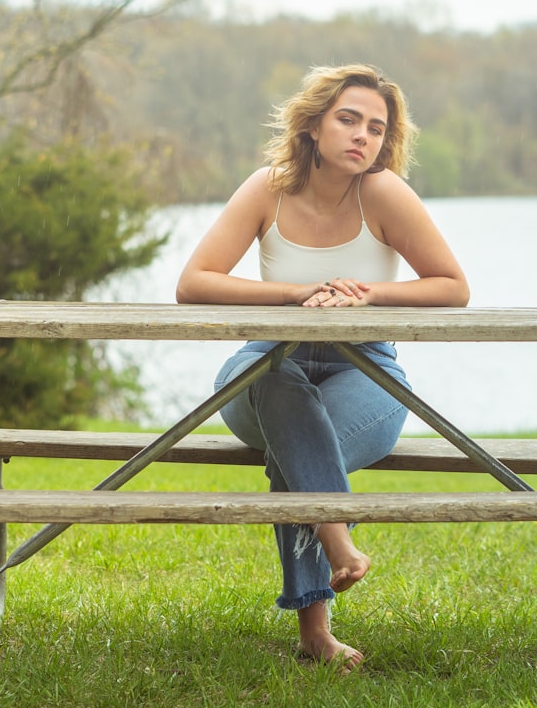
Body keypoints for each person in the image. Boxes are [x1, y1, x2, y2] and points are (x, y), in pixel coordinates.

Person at [176, 63, 469, 671]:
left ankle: (315, 630)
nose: (364, 136)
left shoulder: (384, 192)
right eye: (348, 119)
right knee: (282, 392)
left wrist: (370, 293)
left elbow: (452, 286)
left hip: (367, 371)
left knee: (298, 449)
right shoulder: (267, 188)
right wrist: (294, 293)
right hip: (263, 366)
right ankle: (339, 541)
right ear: (312, 125)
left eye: (376, 127)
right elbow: (193, 283)